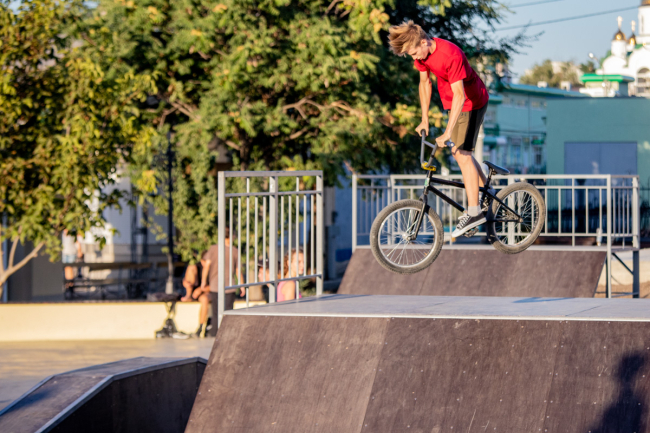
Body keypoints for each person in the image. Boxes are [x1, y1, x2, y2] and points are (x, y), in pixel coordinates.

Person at [388, 20, 492, 238]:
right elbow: (424, 84)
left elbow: (460, 96)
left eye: (413, 52)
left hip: (472, 101)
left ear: (423, 42)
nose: (414, 58)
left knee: (462, 154)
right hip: (454, 103)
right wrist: (424, 119)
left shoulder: (450, 54)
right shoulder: (422, 56)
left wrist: (447, 132)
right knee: (459, 152)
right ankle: (487, 188)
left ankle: (474, 213)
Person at [200, 228, 244, 336]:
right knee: (228, 312)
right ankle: (227, 333)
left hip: (215, 285)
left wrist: (203, 282)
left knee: (216, 312)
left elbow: (206, 266)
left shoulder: (214, 248)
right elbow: (238, 270)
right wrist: (242, 286)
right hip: (230, 286)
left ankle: (215, 334)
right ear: (232, 236)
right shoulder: (234, 250)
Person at [180, 251, 210, 337]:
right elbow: (186, 279)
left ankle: (200, 327)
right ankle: (188, 295)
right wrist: (185, 282)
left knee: (204, 299)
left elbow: (216, 286)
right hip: (194, 291)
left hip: (207, 292)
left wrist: (201, 289)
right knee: (191, 267)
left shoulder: (214, 268)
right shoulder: (197, 266)